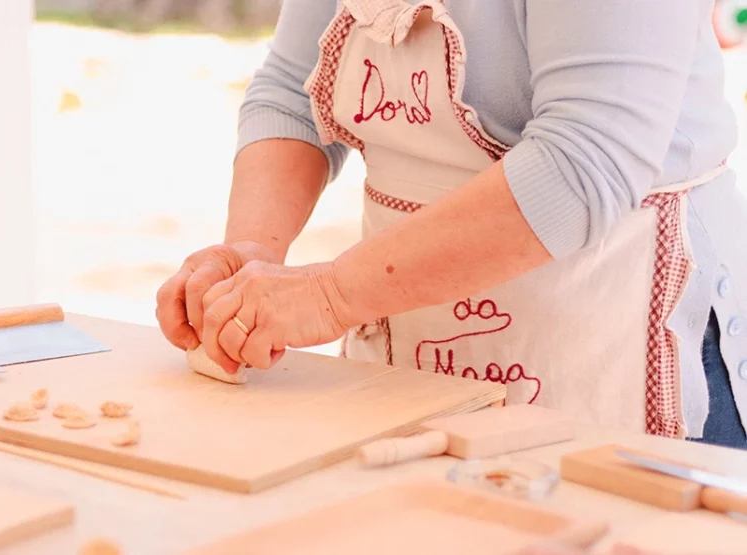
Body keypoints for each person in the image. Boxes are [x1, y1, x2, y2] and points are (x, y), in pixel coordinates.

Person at [156, 0, 747, 449]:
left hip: (615, 337)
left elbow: (584, 161)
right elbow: (293, 90)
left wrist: (330, 294)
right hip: (406, 349)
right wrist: (250, 248)